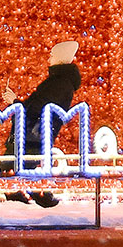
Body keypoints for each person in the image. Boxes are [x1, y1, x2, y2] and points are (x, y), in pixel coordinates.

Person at [7, 40, 82, 207]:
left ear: (61, 59)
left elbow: (38, 105)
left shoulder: (59, 83)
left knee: (18, 161)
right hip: (39, 128)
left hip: (35, 129)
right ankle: (29, 194)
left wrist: (15, 102)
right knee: (23, 161)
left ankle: (33, 195)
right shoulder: (60, 82)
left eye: (52, 56)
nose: (49, 59)